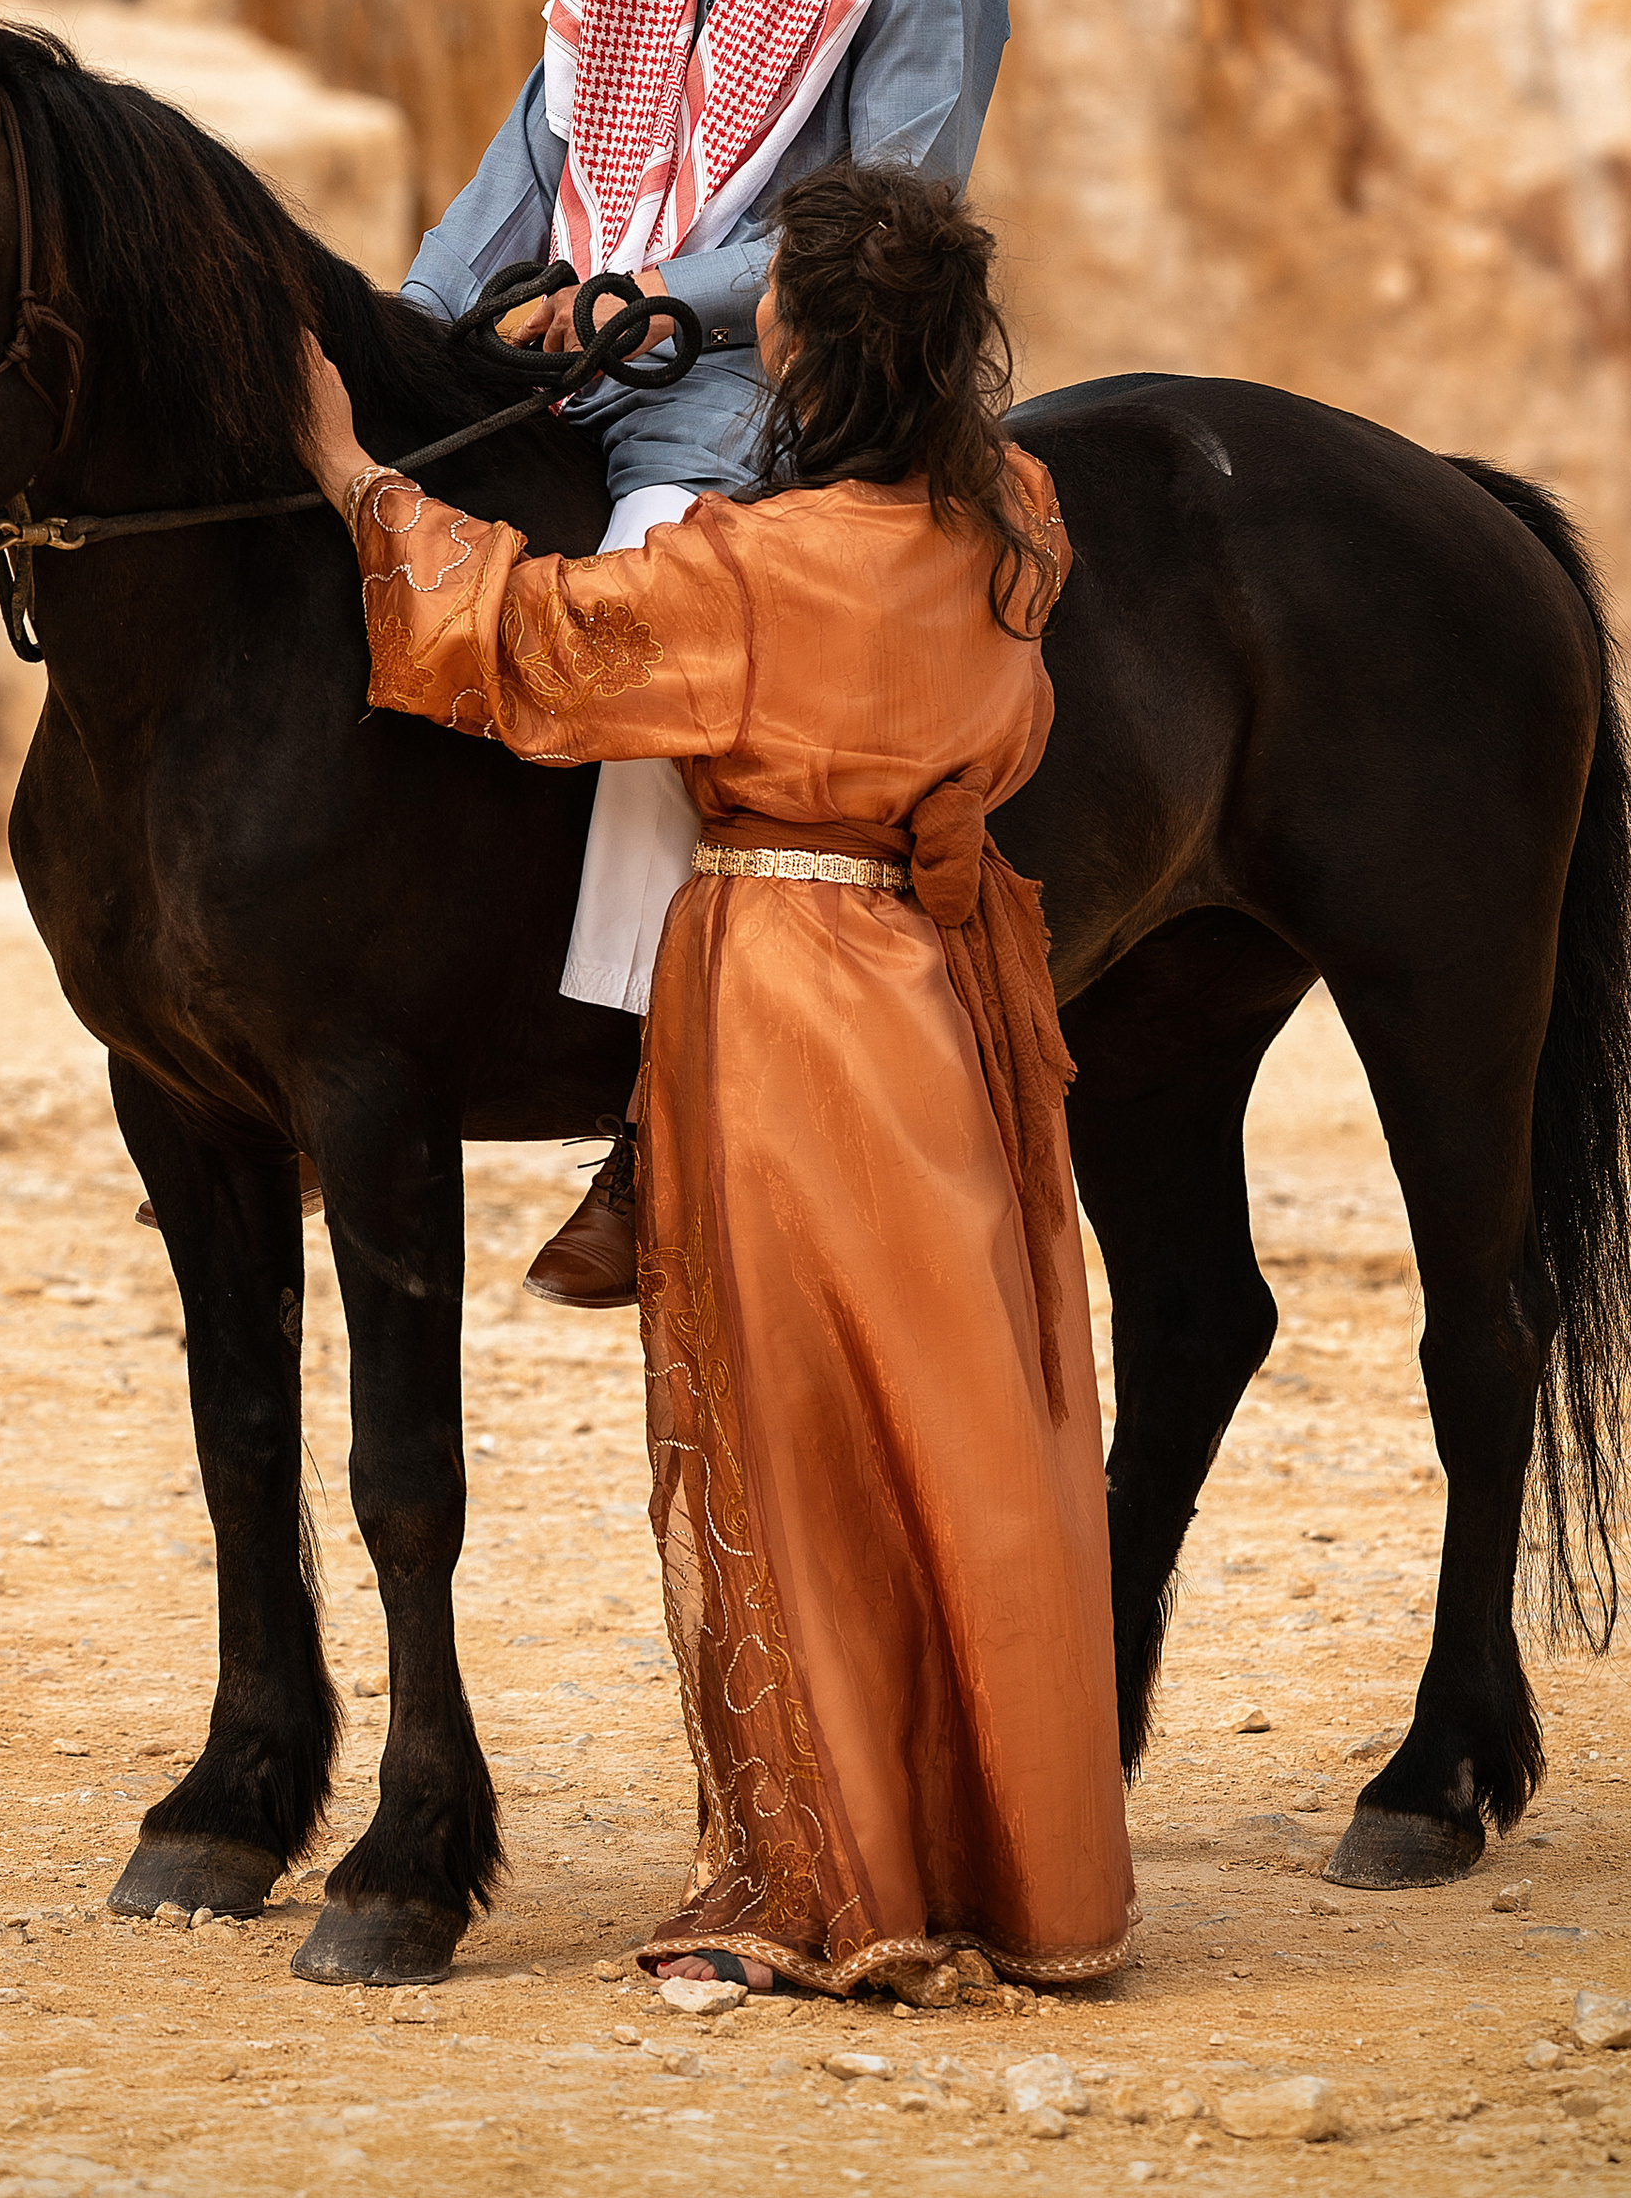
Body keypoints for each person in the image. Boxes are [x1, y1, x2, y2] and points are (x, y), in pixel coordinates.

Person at [297, 164, 1137, 2000]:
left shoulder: (750, 579)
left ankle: (833, 1884)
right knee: (977, 1430)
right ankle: (1038, 1882)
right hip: (947, 993)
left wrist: (355, 476)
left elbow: (509, 644)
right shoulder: (1021, 531)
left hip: (781, 1004)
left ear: (808, 347)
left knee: (805, 1449)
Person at [400, 0, 1011, 1304]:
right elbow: (516, 175)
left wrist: (653, 296)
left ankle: (661, 1102)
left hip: (770, 378)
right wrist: (404, 335)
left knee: (651, 608)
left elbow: (888, 225)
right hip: (582, 351)